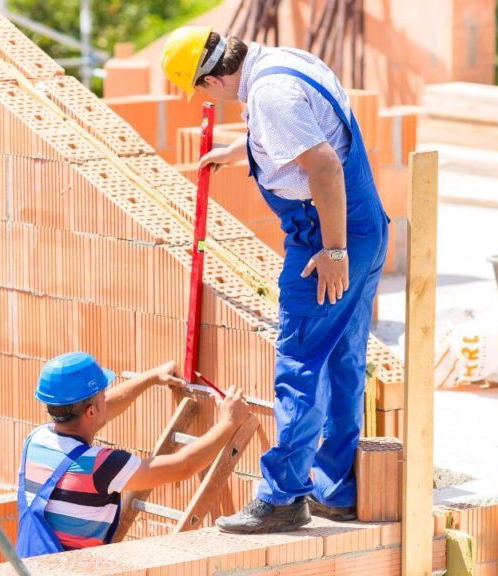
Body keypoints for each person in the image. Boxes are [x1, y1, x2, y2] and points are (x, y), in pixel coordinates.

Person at [160, 27, 390, 534]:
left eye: (200, 90)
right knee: (342, 359)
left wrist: (332, 252)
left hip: (326, 237)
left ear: (215, 79)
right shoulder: (282, 62)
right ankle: (337, 489)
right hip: (365, 228)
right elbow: (313, 137)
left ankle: (284, 496)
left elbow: (325, 168)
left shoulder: (269, 95)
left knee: (301, 362)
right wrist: (244, 151)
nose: (204, 100)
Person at [15, 351, 249, 556]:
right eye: (103, 396)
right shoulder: (102, 466)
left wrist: (148, 378)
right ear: (91, 411)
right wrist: (230, 420)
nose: (107, 398)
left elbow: (97, 414)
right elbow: (182, 466)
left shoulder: (36, 440)